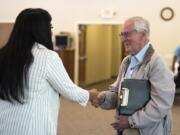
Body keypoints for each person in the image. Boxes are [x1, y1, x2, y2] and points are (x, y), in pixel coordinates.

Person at [0, 8, 98, 135]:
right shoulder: (47, 56)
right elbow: (69, 90)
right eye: (50, 27)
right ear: (40, 30)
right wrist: (92, 95)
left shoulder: (3, 54)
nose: (51, 32)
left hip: (4, 125)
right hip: (31, 127)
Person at [91, 16, 175, 135]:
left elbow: (161, 104)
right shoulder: (127, 62)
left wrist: (131, 121)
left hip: (148, 130)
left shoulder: (157, 64)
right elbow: (121, 94)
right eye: (122, 34)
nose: (123, 39)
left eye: (127, 34)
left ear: (143, 35)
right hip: (126, 127)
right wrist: (104, 98)